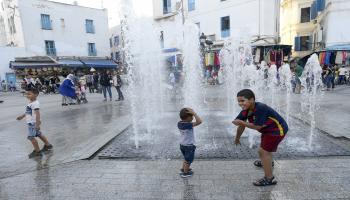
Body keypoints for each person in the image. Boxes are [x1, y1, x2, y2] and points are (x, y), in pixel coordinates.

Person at [232, 89, 288, 186]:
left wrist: (241, 122)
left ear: (252, 100)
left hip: (277, 130)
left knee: (263, 152)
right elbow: (242, 126)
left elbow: (256, 126)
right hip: (268, 130)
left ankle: (269, 178)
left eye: (243, 100)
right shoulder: (245, 111)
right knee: (265, 151)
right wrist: (237, 138)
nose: (240, 103)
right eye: (239, 101)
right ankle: (268, 163)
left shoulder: (260, 108)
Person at [16, 88, 53, 158]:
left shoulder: (35, 103)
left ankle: (37, 151)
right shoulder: (31, 102)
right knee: (38, 134)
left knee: (31, 137)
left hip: (33, 123)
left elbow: (37, 114)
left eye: (29, 94)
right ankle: (48, 145)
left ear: (36, 95)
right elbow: (28, 112)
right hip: (32, 122)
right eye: (26, 94)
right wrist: (22, 116)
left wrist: (37, 124)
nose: (27, 95)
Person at [178, 108, 202, 178]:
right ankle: (185, 173)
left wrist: (191, 113)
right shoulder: (188, 125)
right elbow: (199, 121)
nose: (193, 118)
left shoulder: (179, 123)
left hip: (182, 145)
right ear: (188, 118)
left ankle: (184, 168)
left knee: (186, 158)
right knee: (188, 160)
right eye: (192, 116)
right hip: (189, 146)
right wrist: (194, 113)